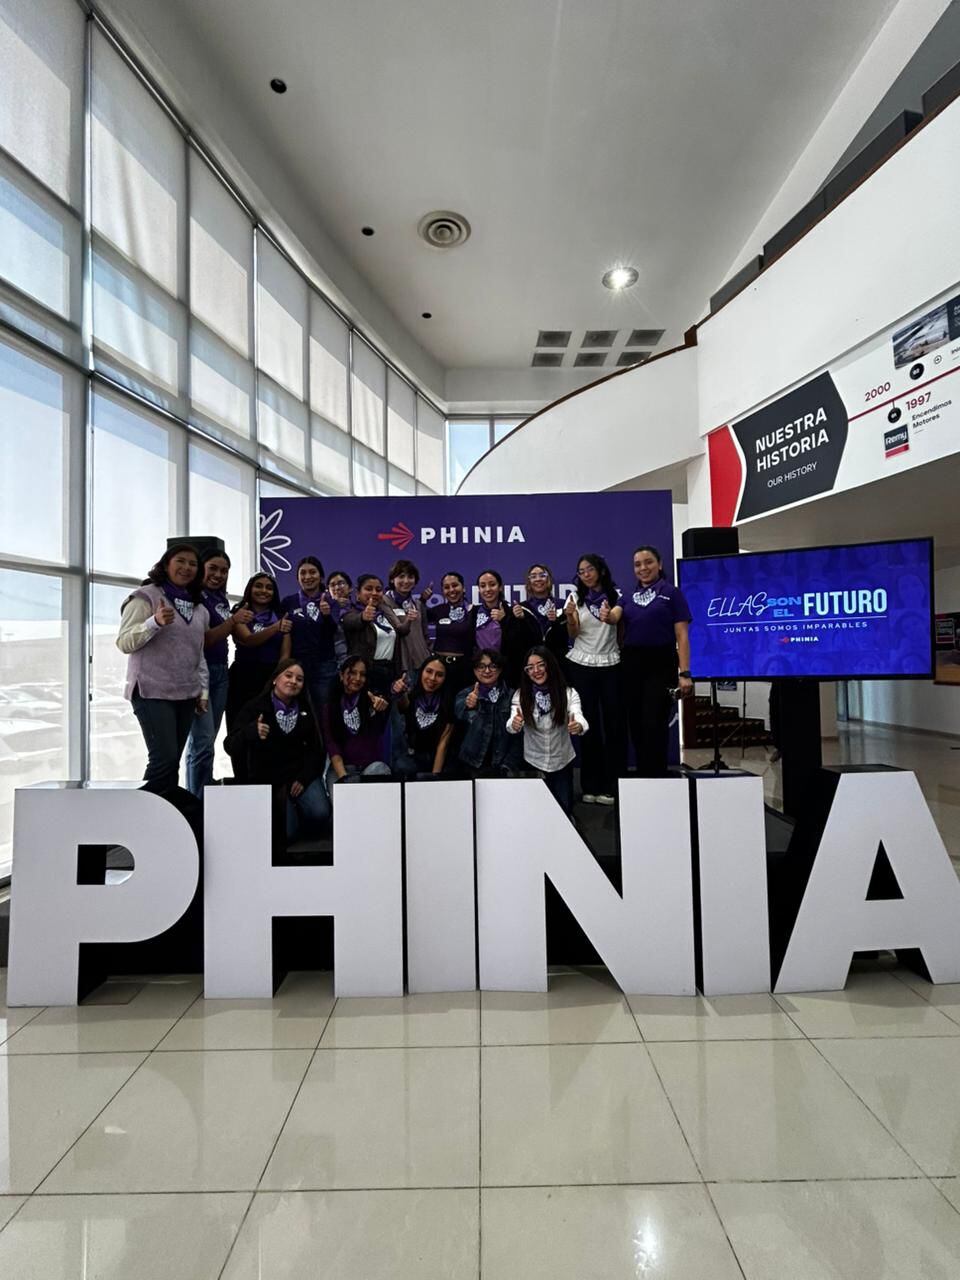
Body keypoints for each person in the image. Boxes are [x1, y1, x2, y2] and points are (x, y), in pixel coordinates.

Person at [116, 542, 210, 795]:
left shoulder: (199, 606)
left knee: (172, 763)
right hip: (151, 691)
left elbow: (198, 653)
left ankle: (166, 822)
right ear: (166, 564)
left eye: (193, 564)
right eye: (180, 561)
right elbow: (124, 642)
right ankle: (142, 820)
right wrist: (154, 622)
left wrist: (203, 692)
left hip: (187, 694)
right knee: (163, 760)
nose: (187, 567)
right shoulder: (145, 596)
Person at [224, 658, 330, 842]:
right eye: (288, 676)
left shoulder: (306, 709)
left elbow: (317, 749)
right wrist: (250, 732)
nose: (293, 681)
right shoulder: (255, 707)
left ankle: (299, 811)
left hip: (299, 777)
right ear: (275, 679)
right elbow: (230, 745)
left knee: (320, 813)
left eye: (299, 679)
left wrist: (304, 778)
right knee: (286, 833)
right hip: (270, 780)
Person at [619, 544, 693, 776]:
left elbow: (682, 635)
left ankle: (657, 777)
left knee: (655, 723)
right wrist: (606, 614)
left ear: (659, 564)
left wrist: (685, 673)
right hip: (631, 663)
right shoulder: (628, 596)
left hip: (661, 662)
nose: (643, 568)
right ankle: (643, 778)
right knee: (636, 724)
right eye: (638, 564)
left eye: (648, 562)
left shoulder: (672, 593)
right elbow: (614, 617)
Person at [185, 548, 253, 796]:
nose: (218, 574)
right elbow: (205, 640)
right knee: (202, 743)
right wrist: (233, 621)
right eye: (213, 568)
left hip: (222, 671)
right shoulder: (195, 598)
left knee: (207, 741)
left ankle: (200, 790)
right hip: (200, 673)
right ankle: (196, 799)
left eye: (224, 570)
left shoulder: (221, 599)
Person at [564, 552, 625, 805]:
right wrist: (569, 616)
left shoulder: (616, 595)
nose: (586, 574)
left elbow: (616, 619)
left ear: (600, 570)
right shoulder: (574, 597)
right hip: (581, 665)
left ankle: (613, 786)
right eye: (581, 571)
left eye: (589, 569)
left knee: (614, 726)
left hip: (611, 664)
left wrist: (609, 616)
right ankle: (590, 784)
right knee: (587, 726)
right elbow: (573, 632)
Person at [508, 645, 588, 813]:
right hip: (533, 761)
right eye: (530, 668)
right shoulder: (520, 695)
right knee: (536, 811)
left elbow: (577, 714)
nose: (536, 671)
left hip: (561, 762)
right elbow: (512, 722)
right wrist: (514, 725)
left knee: (563, 810)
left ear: (550, 665)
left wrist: (578, 725)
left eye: (541, 665)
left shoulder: (568, 693)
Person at [226, 573, 292, 730]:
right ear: (250, 589)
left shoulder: (281, 615)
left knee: (269, 727)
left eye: (269, 588)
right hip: (243, 676)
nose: (264, 591)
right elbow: (248, 640)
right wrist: (275, 627)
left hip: (271, 677)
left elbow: (285, 654)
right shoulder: (239, 612)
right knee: (240, 726)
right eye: (258, 586)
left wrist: (277, 680)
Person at [321, 656, 392, 789]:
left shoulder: (372, 701)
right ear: (341, 675)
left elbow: (380, 727)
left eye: (362, 674)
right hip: (341, 769)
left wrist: (380, 708)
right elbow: (332, 745)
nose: (358, 678)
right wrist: (345, 779)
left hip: (369, 768)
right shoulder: (330, 707)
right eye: (352, 672)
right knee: (344, 804)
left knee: (381, 770)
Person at [280, 555, 338, 707]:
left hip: (324, 665)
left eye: (312, 572)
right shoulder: (288, 602)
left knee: (323, 710)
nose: (307, 577)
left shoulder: (331, 601)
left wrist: (327, 616)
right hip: (297, 665)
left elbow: (334, 631)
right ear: (297, 577)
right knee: (298, 707)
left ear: (321, 576)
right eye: (303, 573)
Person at [454, 648, 522, 776]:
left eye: (493, 666)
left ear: (500, 669)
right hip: (472, 764)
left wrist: (509, 765)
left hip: (503, 764)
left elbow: (518, 737)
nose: (487, 671)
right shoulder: (465, 694)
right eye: (481, 666)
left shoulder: (513, 696)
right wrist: (470, 706)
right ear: (474, 670)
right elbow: (459, 715)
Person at [341, 573, 411, 693]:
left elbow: (401, 632)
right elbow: (350, 622)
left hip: (389, 674)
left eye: (378, 590)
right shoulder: (351, 612)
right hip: (365, 674)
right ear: (358, 593)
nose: (374, 593)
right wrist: (363, 617)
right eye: (368, 589)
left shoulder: (386, 614)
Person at [503, 562, 567, 681]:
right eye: (533, 576)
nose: (538, 579)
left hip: (557, 665)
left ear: (549, 579)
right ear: (528, 582)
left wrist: (555, 622)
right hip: (531, 668)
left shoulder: (562, 605)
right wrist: (521, 620)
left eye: (542, 575)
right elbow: (515, 644)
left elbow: (566, 639)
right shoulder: (521, 608)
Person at [395, 656, 455, 776]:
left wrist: (434, 778)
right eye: (428, 671)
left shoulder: (449, 702)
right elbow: (402, 706)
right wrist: (400, 692)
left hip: (440, 758)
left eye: (439, 675)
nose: (432, 678)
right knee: (401, 766)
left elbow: (443, 744)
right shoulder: (411, 696)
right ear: (421, 672)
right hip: (414, 757)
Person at [424, 571, 476, 692]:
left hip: (464, 668)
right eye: (446, 587)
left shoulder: (474, 611)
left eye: (455, 585)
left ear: (463, 588)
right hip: (439, 669)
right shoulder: (438, 610)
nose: (451, 590)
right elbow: (416, 619)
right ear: (442, 591)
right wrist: (422, 599)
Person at [385, 558, 432, 672]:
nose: (406, 581)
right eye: (401, 576)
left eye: (410, 577)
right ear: (392, 579)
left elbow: (425, 635)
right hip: (399, 666)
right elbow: (400, 630)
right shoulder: (384, 602)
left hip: (422, 663)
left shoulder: (418, 604)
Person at [325, 569, 353, 661]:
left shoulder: (359, 610)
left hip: (354, 660)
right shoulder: (324, 612)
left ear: (350, 588)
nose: (337, 588)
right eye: (332, 585)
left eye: (341, 583)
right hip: (330, 662)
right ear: (328, 591)